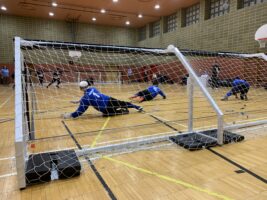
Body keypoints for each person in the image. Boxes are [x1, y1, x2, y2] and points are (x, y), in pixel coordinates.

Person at [62, 80, 143, 119]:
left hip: (105, 108)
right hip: (109, 99)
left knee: (106, 115)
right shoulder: (93, 89)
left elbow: (79, 112)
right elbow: (88, 94)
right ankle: (137, 107)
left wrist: (69, 115)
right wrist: (78, 101)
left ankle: (123, 111)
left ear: (80, 88)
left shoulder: (85, 99)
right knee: (123, 103)